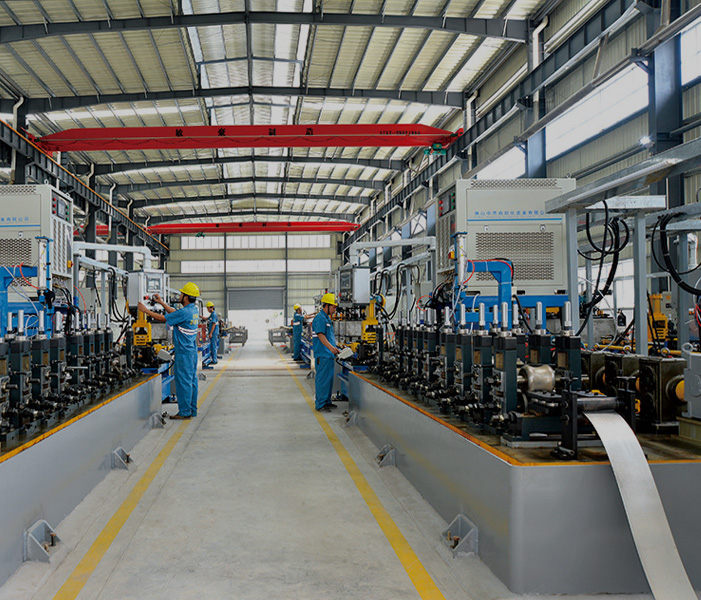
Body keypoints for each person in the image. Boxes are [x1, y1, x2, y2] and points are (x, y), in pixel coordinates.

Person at [138, 282, 200, 420]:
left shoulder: (185, 312)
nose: (180, 295)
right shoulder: (193, 310)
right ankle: (192, 409)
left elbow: (162, 318)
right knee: (191, 380)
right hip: (191, 351)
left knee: (183, 382)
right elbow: (175, 313)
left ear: (186, 297)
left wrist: (145, 310)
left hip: (183, 352)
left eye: (182, 294)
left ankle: (184, 412)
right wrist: (161, 303)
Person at [312, 293, 340, 412]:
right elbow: (321, 335)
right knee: (322, 380)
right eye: (333, 307)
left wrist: (335, 347)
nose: (335, 310)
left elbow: (329, 336)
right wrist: (331, 348)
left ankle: (327, 401)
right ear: (327, 306)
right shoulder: (320, 318)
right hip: (323, 354)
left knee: (328, 380)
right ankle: (320, 404)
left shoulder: (327, 318)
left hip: (328, 354)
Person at [202, 301, 219, 369]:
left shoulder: (214, 314)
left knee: (213, 346)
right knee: (212, 345)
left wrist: (211, 333)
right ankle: (213, 358)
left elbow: (213, 324)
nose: (207, 309)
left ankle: (214, 360)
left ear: (210, 308)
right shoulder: (212, 314)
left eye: (207, 308)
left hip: (214, 333)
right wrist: (200, 316)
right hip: (213, 333)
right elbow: (207, 319)